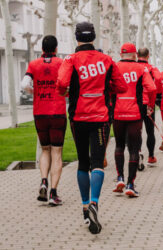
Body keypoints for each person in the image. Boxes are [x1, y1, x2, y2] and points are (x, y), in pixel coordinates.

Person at [57, 22, 127, 234]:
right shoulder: (106, 60)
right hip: (101, 117)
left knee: (83, 162)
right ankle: (95, 202)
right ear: (94, 37)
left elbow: (61, 82)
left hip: (78, 117)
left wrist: (66, 92)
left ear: (76, 37)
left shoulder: (70, 59)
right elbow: (122, 86)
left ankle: (85, 206)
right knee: (97, 162)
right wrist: (107, 88)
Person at [21, 35, 66, 206]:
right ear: (56, 49)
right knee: (57, 152)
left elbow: (24, 84)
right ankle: (53, 193)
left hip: (40, 112)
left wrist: (33, 91)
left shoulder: (33, 64)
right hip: (57, 112)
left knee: (45, 149)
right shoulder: (61, 63)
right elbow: (66, 84)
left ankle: (43, 181)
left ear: (42, 49)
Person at [113, 43, 157, 196]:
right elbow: (152, 88)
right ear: (134, 55)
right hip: (135, 112)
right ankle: (130, 184)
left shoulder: (114, 67)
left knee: (119, 145)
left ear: (121, 54)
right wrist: (150, 106)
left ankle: (119, 177)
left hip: (117, 112)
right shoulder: (141, 68)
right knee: (133, 148)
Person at [137, 48, 161, 167]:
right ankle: (151, 156)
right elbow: (159, 79)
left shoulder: (133, 67)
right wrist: (152, 103)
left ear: (137, 55)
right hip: (148, 103)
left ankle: (138, 152)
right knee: (150, 131)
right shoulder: (152, 68)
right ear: (148, 55)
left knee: (137, 130)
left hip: (135, 103)